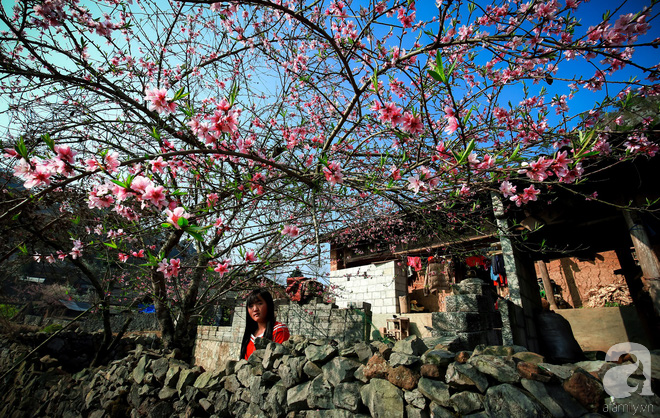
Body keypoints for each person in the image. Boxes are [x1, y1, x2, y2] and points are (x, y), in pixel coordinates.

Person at [240, 288, 290, 360]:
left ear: (268, 305)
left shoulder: (279, 331)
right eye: (251, 306)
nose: (255, 309)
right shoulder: (250, 336)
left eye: (259, 304)